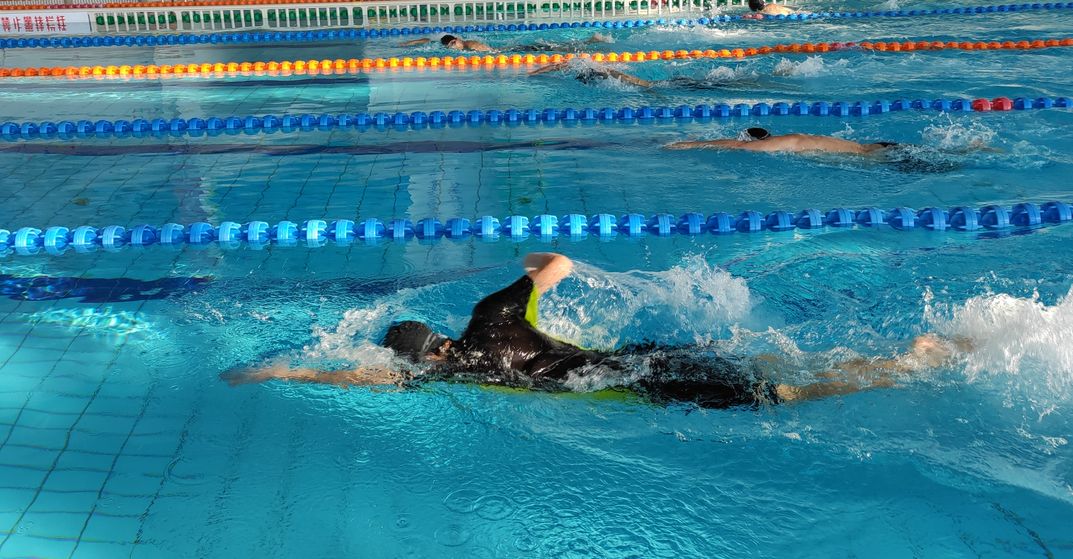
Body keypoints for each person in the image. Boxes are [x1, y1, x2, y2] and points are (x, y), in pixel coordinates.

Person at [223, 253, 963, 409]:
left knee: (784, 393)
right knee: (768, 362)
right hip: (641, 354)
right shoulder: (492, 314)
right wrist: (526, 267)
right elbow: (557, 262)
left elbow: (360, 377)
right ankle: (895, 355)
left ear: (422, 358)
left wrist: (277, 372)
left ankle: (908, 363)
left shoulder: (451, 372)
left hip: (631, 385)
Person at [665, 127, 899, 154]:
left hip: (872, 156)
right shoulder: (795, 136)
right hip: (876, 147)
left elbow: (734, 145)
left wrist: (690, 145)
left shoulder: (773, 145)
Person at [529, 62, 742, 90]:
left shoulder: (612, 74)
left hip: (671, 85)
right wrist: (535, 72)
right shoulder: (598, 68)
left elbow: (646, 87)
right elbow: (561, 64)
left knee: (716, 85)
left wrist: (658, 97)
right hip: (667, 83)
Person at [399, 33, 611, 53]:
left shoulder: (471, 45)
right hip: (513, 49)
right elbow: (428, 40)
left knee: (558, 49)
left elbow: (491, 53)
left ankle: (591, 41)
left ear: (457, 41)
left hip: (516, 50)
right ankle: (591, 41)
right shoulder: (465, 47)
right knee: (554, 47)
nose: (452, 49)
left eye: (451, 45)